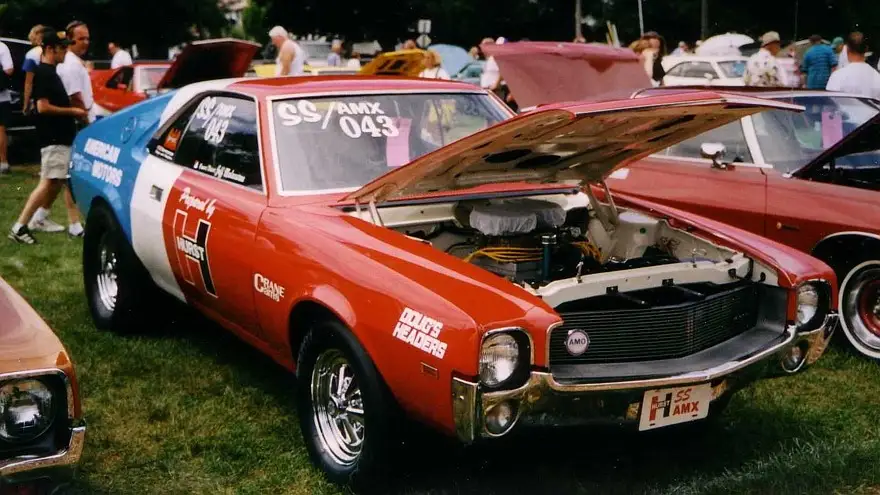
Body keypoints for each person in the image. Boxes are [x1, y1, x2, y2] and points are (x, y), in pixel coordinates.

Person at [9, 30, 87, 244]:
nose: (65, 51)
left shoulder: (51, 73)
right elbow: (43, 107)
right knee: (48, 182)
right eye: (62, 48)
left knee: (59, 181)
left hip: (58, 137)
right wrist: (74, 112)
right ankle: (20, 226)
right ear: (51, 49)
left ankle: (71, 224)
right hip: (53, 138)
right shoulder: (45, 74)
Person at [58, 20, 95, 124]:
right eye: (81, 39)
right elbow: (75, 97)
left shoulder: (74, 60)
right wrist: (86, 122)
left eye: (87, 38)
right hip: (81, 121)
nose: (86, 42)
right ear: (69, 39)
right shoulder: (71, 63)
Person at [826, 32, 880, 99]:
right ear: (866, 49)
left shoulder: (837, 76)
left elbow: (832, 103)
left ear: (847, 49)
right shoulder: (877, 76)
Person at [22, 25, 44, 117]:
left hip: (40, 98)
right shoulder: (57, 51)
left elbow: (28, 83)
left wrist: (26, 104)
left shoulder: (32, 55)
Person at [0, 37, 14, 175]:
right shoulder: (2, 47)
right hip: (1, 97)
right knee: (1, 130)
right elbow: (9, 69)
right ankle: (3, 163)